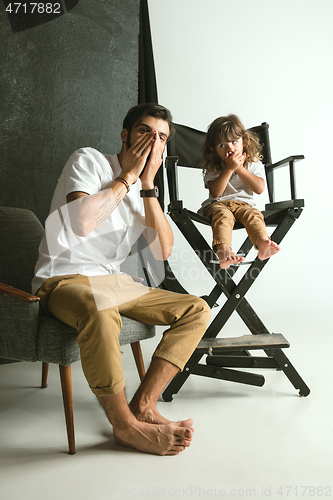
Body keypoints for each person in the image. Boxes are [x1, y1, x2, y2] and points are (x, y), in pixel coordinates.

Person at [32, 103, 211, 456]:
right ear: (125, 135)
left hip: (112, 280)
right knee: (100, 309)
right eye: (145, 131)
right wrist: (127, 177)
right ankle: (125, 426)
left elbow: (162, 250)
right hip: (62, 276)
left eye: (161, 137)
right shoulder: (90, 161)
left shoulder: (144, 189)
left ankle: (144, 405)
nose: (153, 141)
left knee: (197, 309)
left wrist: (146, 187)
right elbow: (83, 224)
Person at [198, 114, 280, 269]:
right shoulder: (214, 167)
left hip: (245, 205)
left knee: (254, 216)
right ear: (214, 150)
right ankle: (224, 252)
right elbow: (216, 193)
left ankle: (263, 244)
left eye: (234, 142)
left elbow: (259, 188)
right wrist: (229, 168)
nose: (230, 148)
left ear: (244, 141)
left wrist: (240, 168)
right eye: (222, 145)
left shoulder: (253, 164)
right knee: (223, 217)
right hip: (218, 205)